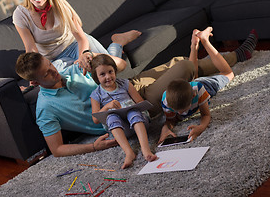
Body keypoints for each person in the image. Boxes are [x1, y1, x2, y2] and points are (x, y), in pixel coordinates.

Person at [15, 28, 258, 158]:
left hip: (128, 85)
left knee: (178, 61)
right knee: (184, 68)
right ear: (34, 84)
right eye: (47, 75)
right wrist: (92, 148)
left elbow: (112, 72)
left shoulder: (70, 72)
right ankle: (232, 60)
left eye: (51, 67)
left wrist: (90, 58)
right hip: (133, 109)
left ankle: (237, 56)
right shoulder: (45, 110)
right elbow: (57, 150)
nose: (55, 73)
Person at [13, 0, 141, 74]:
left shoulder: (60, 6)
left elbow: (81, 38)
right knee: (79, 79)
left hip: (75, 45)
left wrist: (83, 56)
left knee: (108, 69)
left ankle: (117, 43)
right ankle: (116, 44)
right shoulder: (21, 14)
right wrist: (33, 74)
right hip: (53, 60)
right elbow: (31, 49)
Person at [158, 27, 255, 144]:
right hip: (189, 86)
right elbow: (170, 120)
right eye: (177, 111)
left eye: (184, 110)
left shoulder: (198, 90)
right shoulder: (166, 100)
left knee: (228, 74)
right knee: (194, 77)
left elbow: (206, 115)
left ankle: (205, 41)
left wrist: (201, 127)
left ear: (194, 95)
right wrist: (165, 129)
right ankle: (194, 46)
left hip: (205, 85)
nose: (180, 114)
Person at [90, 54, 157, 169]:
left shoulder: (125, 84)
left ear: (115, 71)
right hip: (122, 129)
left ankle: (146, 150)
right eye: (102, 74)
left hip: (138, 122)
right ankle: (129, 153)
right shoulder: (96, 95)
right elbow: (95, 119)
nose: (108, 77)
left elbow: (140, 102)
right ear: (96, 78)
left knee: (133, 112)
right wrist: (107, 107)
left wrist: (129, 106)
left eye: (110, 72)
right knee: (111, 117)